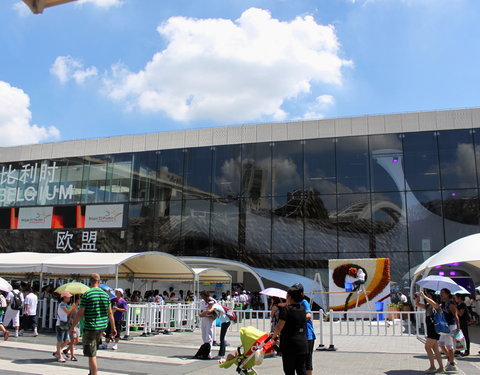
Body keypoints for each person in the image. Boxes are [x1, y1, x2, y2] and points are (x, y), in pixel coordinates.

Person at [70, 273, 116, 375]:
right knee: (94, 350)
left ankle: (94, 373)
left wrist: (73, 326)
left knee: (91, 355)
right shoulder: (105, 295)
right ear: (99, 282)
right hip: (102, 327)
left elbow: (80, 313)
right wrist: (113, 327)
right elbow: (110, 313)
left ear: (90, 282)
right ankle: (91, 372)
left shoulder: (87, 294)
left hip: (90, 327)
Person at [271, 284, 308, 375]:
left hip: (289, 344)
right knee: (301, 370)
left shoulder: (286, 310)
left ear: (290, 297)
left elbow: (279, 326)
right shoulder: (302, 309)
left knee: (289, 370)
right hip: (302, 343)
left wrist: (273, 336)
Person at [414, 290, 444, 373]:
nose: (428, 298)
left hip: (435, 329)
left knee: (427, 347)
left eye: (430, 297)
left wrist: (424, 296)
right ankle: (440, 367)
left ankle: (433, 366)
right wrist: (417, 297)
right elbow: (418, 304)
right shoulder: (428, 306)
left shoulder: (437, 306)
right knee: (435, 349)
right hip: (430, 329)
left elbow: (434, 304)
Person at [438, 288, 460, 372]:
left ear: (447, 294)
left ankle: (451, 363)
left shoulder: (451, 303)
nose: (441, 294)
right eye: (441, 292)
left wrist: (458, 327)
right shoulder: (443, 303)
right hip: (444, 326)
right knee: (441, 343)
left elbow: (455, 315)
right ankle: (450, 359)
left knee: (449, 345)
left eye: (443, 293)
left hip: (451, 325)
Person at [296, 284, 315, 375]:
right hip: (298, 336)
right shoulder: (292, 303)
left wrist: (297, 317)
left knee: (307, 359)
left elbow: (308, 315)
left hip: (308, 335)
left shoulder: (304, 302)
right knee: (300, 361)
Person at [55, 291, 74, 362]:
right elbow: (68, 312)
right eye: (68, 297)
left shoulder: (66, 304)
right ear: (64, 297)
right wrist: (72, 307)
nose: (70, 298)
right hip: (60, 324)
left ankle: (58, 351)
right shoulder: (62, 304)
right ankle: (59, 355)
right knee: (60, 341)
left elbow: (69, 313)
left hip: (65, 324)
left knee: (67, 340)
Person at [196, 291, 216, 359]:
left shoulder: (212, 301)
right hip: (203, 320)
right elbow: (201, 310)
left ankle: (209, 353)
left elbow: (213, 312)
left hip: (209, 320)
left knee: (209, 336)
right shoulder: (202, 302)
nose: (202, 297)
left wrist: (206, 314)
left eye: (203, 296)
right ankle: (204, 351)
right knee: (204, 335)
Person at [66, 294, 81, 361]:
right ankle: (72, 355)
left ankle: (66, 350)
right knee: (72, 341)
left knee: (77, 340)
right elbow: (70, 317)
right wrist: (73, 326)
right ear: (77, 300)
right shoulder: (73, 306)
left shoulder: (77, 307)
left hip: (77, 324)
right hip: (73, 325)